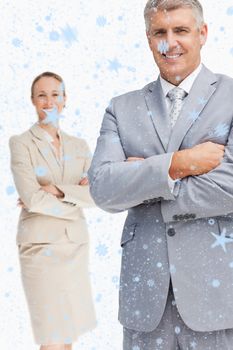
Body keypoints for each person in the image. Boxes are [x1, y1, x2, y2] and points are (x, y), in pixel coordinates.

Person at [88, 0, 233, 349]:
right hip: (144, 299)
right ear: (148, 38)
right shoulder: (121, 108)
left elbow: (229, 187)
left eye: (180, 30)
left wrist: (142, 179)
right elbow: (103, 188)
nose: (170, 42)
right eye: (159, 32)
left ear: (202, 34)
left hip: (214, 292)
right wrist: (179, 164)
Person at [9, 72, 96, 350]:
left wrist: (57, 190)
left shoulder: (79, 146)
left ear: (65, 99)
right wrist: (74, 196)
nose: (49, 101)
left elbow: (96, 195)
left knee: (67, 336)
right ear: (33, 100)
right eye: (42, 95)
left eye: (55, 94)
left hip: (74, 246)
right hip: (41, 247)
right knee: (52, 337)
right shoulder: (21, 143)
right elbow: (33, 200)